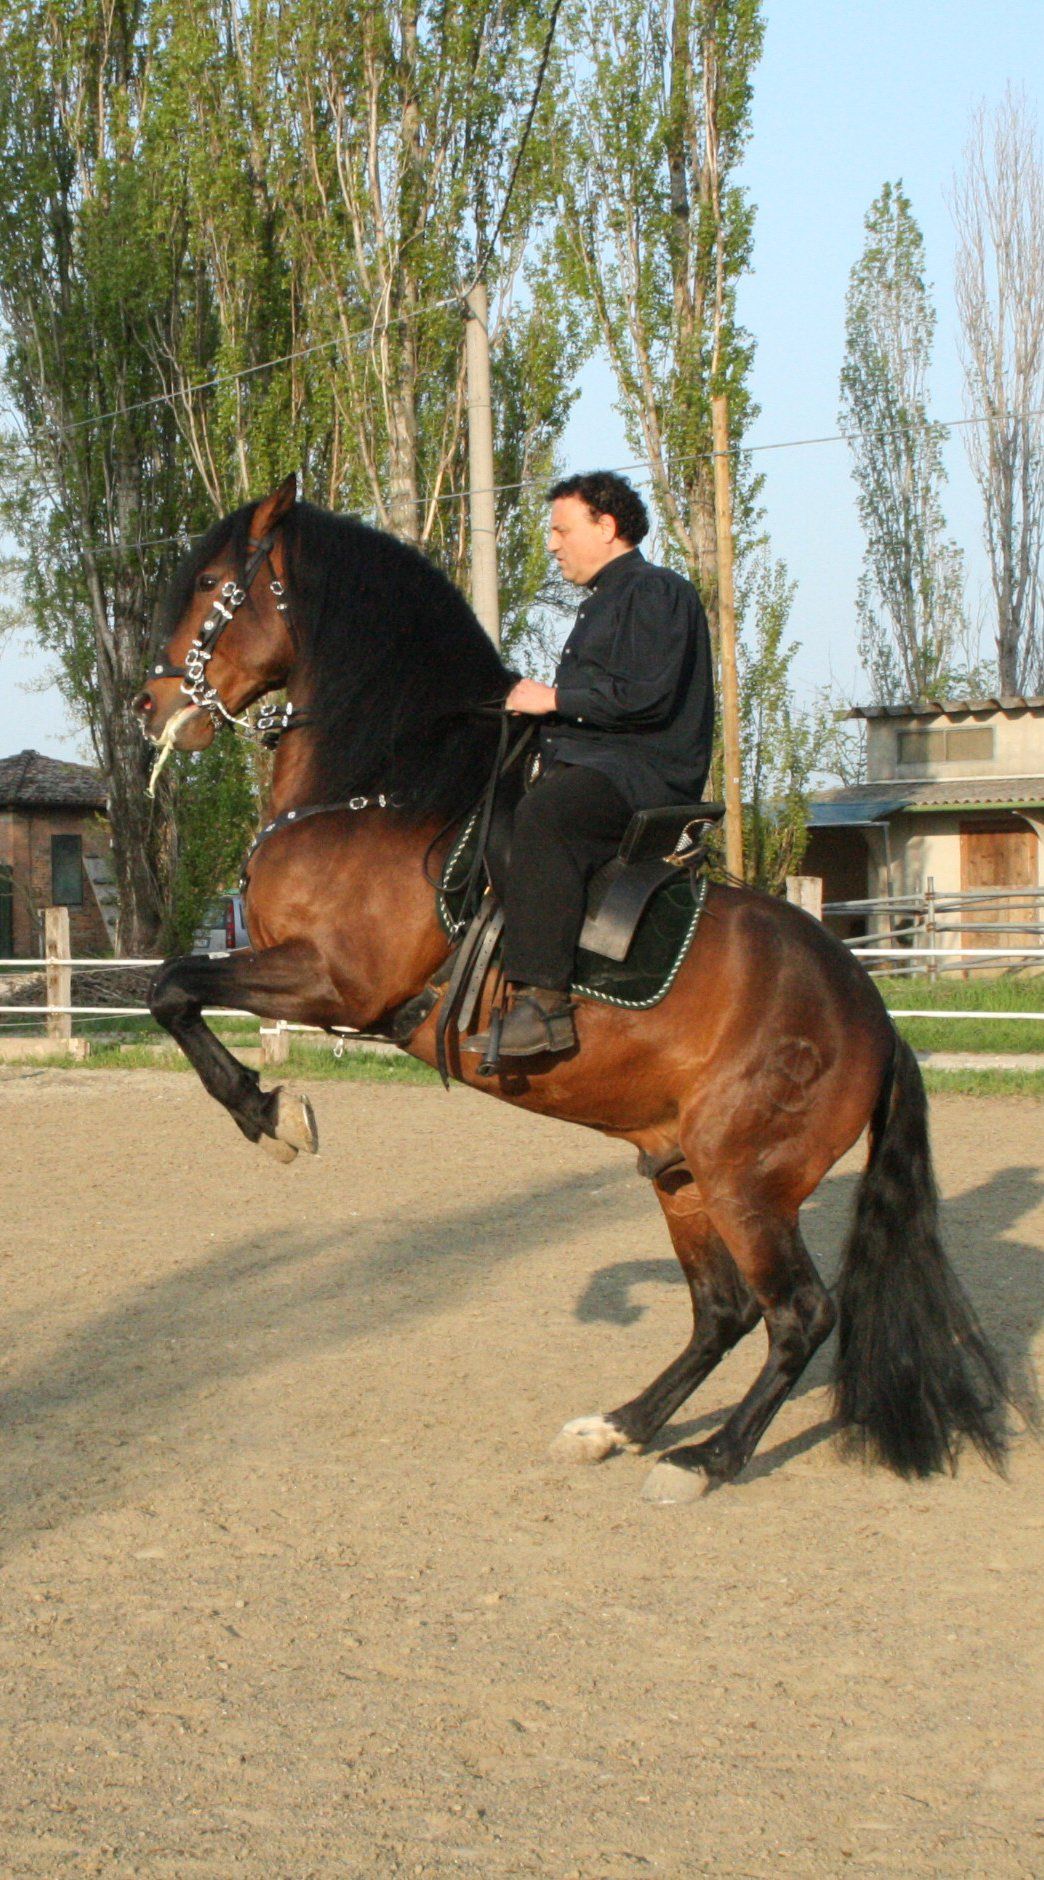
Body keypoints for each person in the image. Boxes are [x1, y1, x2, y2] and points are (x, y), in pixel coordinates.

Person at [466, 470, 714, 1061]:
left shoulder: (654, 591)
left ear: (607, 527)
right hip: (601, 763)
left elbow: (646, 698)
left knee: (547, 817)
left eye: (561, 530)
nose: (552, 544)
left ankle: (544, 1006)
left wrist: (552, 699)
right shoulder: (606, 601)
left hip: (643, 774)